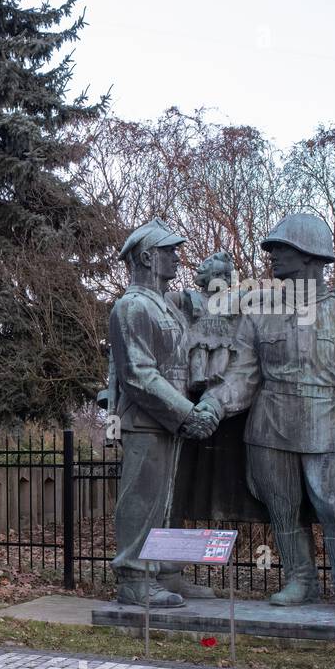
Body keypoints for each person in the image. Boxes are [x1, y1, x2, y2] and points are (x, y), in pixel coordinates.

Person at [202, 213, 335, 614]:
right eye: (272, 249)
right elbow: (243, 376)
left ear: (309, 256)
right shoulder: (257, 312)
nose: (271, 256)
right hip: (271, 424)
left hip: (334, 421)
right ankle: (300, 579)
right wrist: (215, 403)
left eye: (280, 249)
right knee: (281, 506)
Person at [108, 220, 221, 606]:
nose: (176, 257)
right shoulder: (133, 306)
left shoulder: (165, 306)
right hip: (146, 421)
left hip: (170, 421)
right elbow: (139, 375)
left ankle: (166, 573)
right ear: (145, 256)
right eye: (168, 251)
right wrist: (186, 413)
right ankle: (134, 580)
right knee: (143, 500)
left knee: (168, 502)